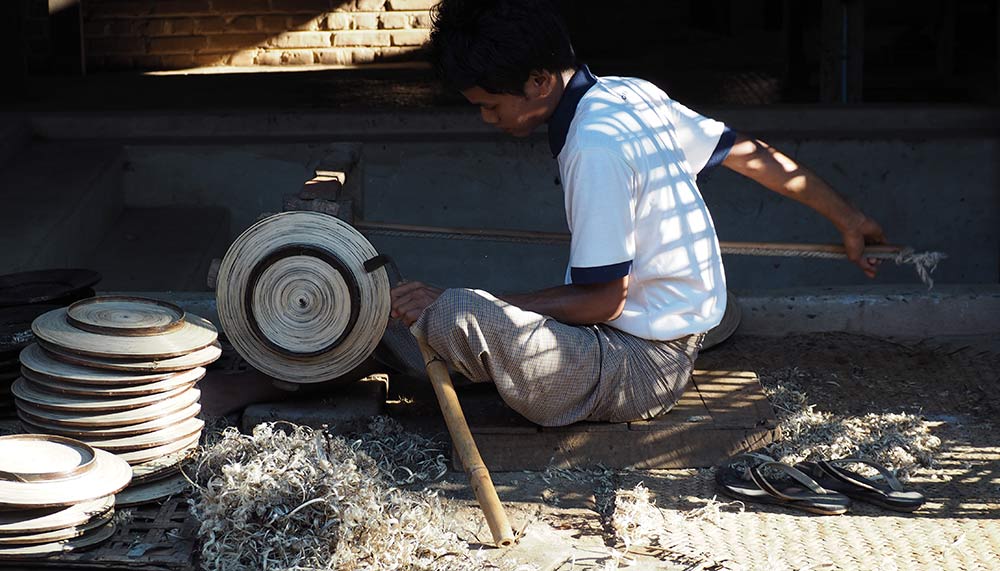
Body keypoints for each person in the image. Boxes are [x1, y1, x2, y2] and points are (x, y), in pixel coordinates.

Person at [379, 0, 886, 427]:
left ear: (538, 82)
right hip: (666, 333)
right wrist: (848, 218)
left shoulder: (594, 147)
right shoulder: (628, 93)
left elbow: (603, 301)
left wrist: (483, 304)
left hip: (639, 368)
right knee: (449, 315)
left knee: (456, 313)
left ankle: (423, 335)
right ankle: (423, 336)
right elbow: (746, 154)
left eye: (490, 106)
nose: (487, 119)